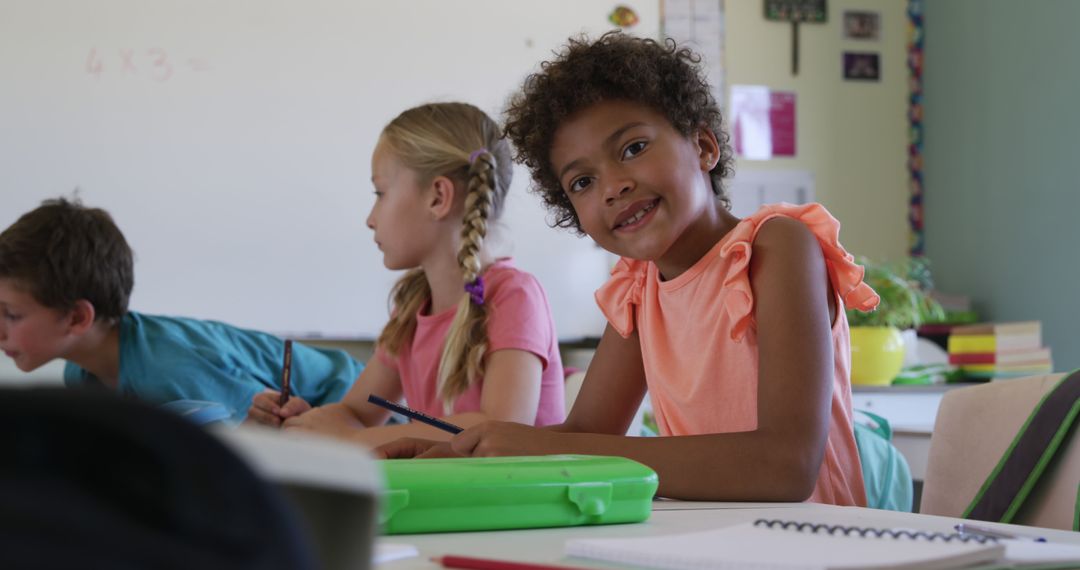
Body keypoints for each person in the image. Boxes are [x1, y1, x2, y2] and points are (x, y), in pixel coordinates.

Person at [378, 33, 880, 505]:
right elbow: (585, 436)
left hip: (814, 542)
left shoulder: (775, 247)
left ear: (704, 147)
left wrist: (538, 448)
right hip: (711, 543)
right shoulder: (638, 289)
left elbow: (784, 467)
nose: (612, 187)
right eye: (582, 182)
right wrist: (454, 453)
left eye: (633, 148)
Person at [250, 102, 565, 447]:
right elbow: (355, 414)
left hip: (518, 500)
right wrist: (309, 423)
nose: (370, 219)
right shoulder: (413, 307)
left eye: (380, 193)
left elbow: (500, 428)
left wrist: (361, 438)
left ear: (438, 197)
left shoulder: (514, 296)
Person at [0, 198, 363, 424]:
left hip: (373, 419)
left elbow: (255, 459)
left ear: (79, 318)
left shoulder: (172, 371)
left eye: (11, 315)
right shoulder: (81, 371)